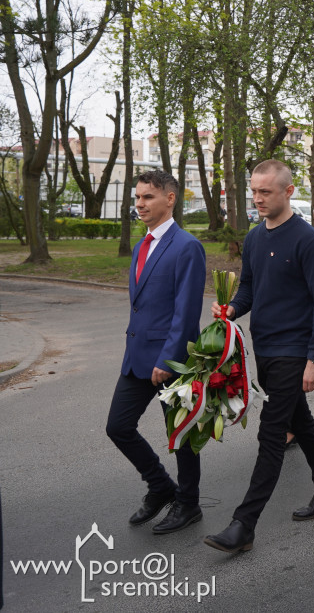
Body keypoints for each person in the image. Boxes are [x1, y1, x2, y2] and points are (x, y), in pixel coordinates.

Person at [204, 160, 314, 554]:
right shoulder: (253, 238)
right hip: (262, 348)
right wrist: (232, 309)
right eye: (254, 191)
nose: (258, 198)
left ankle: (243, 524)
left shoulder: (309, 241)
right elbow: (249, 287)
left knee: (272, 432)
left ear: (288, 190)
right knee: (300, 420)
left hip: (294, 352)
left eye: (265, 191)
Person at [106, 170, 205, 535]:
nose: (140, 204)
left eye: (147, 197)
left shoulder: (187, 246)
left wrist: (168, 359)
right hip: (137, 358)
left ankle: (189, 504)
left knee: (182, 436)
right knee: (118, 427)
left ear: (170, 198)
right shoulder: (141, 246)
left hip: (171, 361)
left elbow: (186, 311)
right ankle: (161, 485)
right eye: (137, 197)